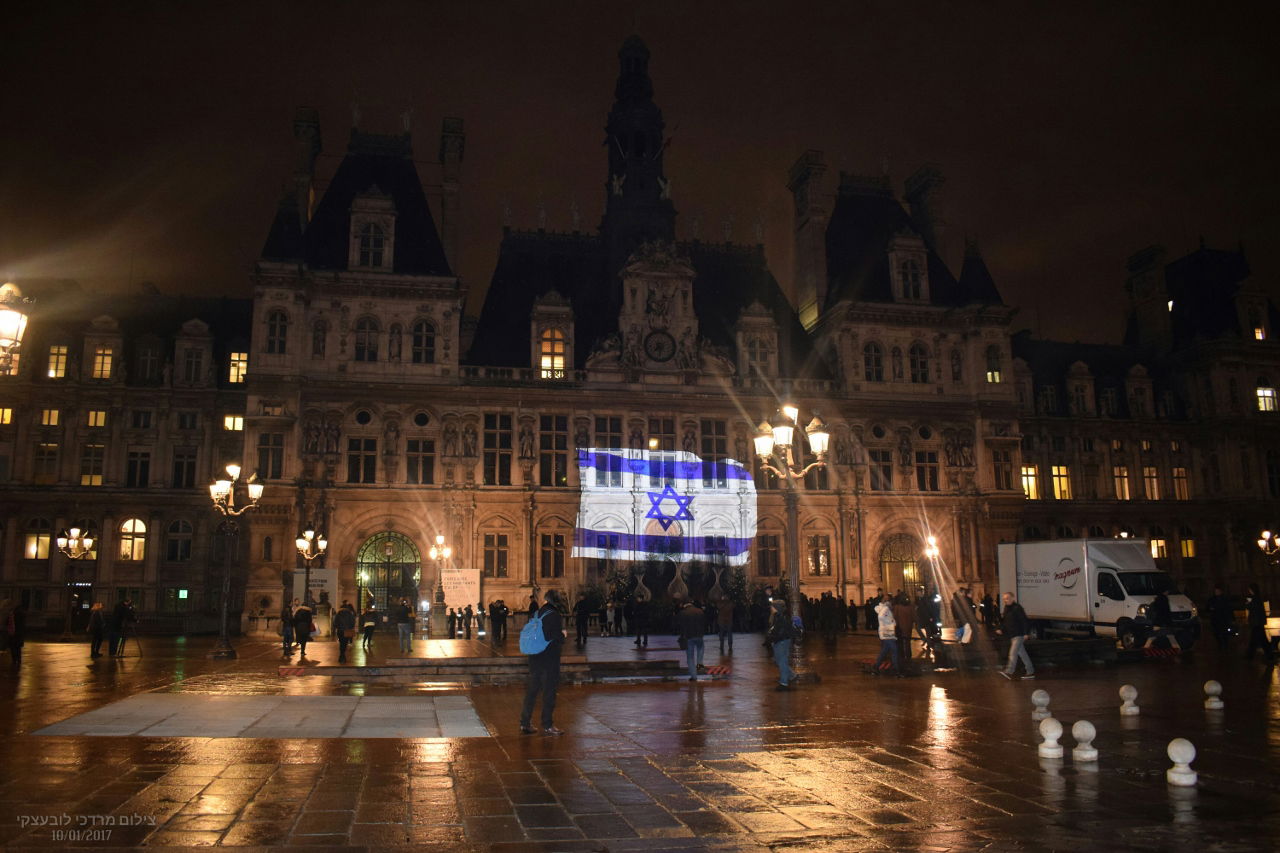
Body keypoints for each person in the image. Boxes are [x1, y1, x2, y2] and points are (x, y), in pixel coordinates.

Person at [520, 589, 566, 735]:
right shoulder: (554, 615)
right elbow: (552, 636)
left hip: (534, 656)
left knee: (532, 690)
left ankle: (525, 723)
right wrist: (562, 635)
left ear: (546, 600)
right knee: (549, 692)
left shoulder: (537, 613)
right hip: (549, 659)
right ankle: (547, 724)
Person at [997, 591, 1035, 680]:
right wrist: (1001, 629)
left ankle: (1009, 671)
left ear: (1012, 598)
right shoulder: (1007, 608)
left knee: (1012, 653)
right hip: (1012, 635)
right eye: (1004, 599)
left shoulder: (1017, 608)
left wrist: (1026, 633)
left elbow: (1024, 620)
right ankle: (1030, 671)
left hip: (1019, 634)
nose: (1005, 600)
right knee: (1022, 654)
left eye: (1007, 598)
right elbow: (1005, 621)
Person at [766, 598, 796, 690]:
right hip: (779, 640)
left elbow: (781, 631)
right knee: (779, 660)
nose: (771, 608)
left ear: (777, 608)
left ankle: (784, 683)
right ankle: (792, 675)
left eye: (773, 607)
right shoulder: (777, 616)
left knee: (782, 661)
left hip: (781, 641)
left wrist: (774, 637)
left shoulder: (781, 617)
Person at [1244, 583, 1273, 663]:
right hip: (1258, 622)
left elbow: (1251, 608)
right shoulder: (1257, 598)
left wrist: (1248, 604)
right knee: (1261, 640)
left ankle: (1250, 655)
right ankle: (1269, 655)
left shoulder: (1255, 599)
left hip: (1256, 623)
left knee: (1256, 640)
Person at [679, 600, 705, 681]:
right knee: (701, 649)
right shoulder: (700, 611)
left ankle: (694, 676)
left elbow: (680, 626)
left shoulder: (683, 613)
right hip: (699, 636)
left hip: (689, 637)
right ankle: (699, 664)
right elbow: (705, 623)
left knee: (690, 657)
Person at [873, 596, 900, 675]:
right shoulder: (886, 608)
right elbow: (881, 617)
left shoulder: (885, 608)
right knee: (894, 650)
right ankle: (896, 668)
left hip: (887, 632)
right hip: (887, 632)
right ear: (888, 602)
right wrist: (890, 621)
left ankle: (876, 666)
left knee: (884, 651)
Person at [1205, 586, 1234, 651]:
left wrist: (1231, 618)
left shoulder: (1225, 599)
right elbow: (1207, 607)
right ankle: (1220, 644)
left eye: (1218, 591)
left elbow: (1229, 609)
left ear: (1221, 591)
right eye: (1215, 591)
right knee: (1216, 633)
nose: (1216, 592)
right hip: (1215, 619)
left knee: (1224, 633)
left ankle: (1225, 645)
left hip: (1223, 619)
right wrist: (1210, 608)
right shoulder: (1212, 599)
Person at [892, 592, 914, 671]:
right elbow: (913, 617)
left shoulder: (897, 607)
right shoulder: (910, 607)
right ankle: (908, 655)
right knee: (907, 642)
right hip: (908, 628)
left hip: (900, 628)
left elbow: (895, 617)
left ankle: (902, 656)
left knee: (900, 642)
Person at [5, 602, 26, 669]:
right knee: (18, 648)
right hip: (19, 634)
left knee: (13, 647)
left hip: (12, 633)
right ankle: (19, 660)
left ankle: (14, 660)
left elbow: (7, 623)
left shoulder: (11, 614)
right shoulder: (22, 614)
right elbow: (23, 625)